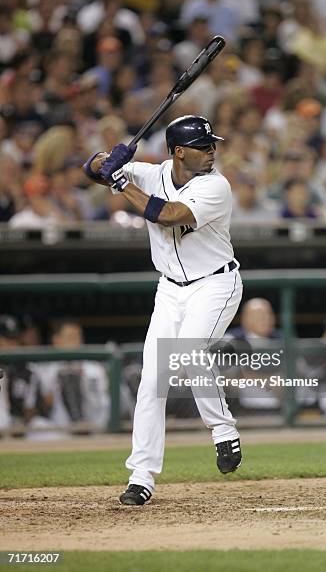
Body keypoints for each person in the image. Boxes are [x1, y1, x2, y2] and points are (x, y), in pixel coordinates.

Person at [83, 114, 243, 506]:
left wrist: (120, 183)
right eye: (204, 147)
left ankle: (223, 431)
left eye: (212, 146)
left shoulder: (215, 186)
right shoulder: (150, 173)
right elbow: (89, 170)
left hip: (215, 283)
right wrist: (105, 161)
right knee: (152, 380)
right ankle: (141, 477)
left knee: (189, 350)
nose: (212, 152)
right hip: (170, 290)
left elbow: (167, 214)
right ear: (179, 152)